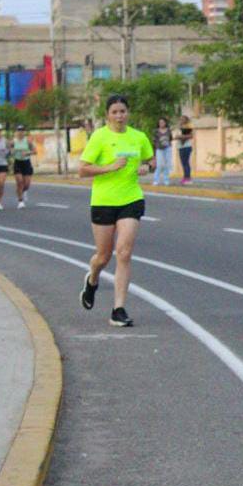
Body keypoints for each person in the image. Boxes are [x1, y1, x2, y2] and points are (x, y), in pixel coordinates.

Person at [78, 94, 154, 327]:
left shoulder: (138, 137)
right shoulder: (99, 137)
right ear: (107, 115)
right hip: (103, 201)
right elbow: (82, 170)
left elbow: (151, 161)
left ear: (127, 113)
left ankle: (118, 309)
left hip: (131, 199)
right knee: (103, 255)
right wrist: (110, 167)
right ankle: (92, 280)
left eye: (123, 111)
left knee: (124, 252)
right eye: (115, 112)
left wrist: (146, 167)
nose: (119, 115)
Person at [11, 124, 34, 208]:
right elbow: (9, 151)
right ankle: (20, 201)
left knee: (27, 184)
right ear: (16, 132)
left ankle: (24, 191)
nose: (20, 132)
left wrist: (27, 153)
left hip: (26, 162)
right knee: (19, 181)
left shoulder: (28, 141)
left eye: (22, 131)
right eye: (19, 130)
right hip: (17, 162)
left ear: (24, 132)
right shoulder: (13, 141)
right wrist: (12, 151)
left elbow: (34, 151)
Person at [152, 117, 173, 186]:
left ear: (165, 123)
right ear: (158, 123)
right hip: (159, 149)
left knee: (167, 165)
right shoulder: (156, 131)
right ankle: (156, 180)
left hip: (167, 149)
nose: (161, 124)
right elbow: (154, 141)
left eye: (163, 122)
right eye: (160, 122)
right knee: (159, 165)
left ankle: (166, 180)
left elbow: (170, 139)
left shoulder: (169, 130)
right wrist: (155, 151)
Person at [176, 115, 194, 185]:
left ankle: (188, 178)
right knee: (183, 163)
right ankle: (185, 177)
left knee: (186, 163)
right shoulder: (179, 128)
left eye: (183, 119)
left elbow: (191, 136)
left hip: (186, 146)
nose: (181, 120)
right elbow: (177, 136)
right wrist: (177, 137)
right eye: (180, 119)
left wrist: (180, 137)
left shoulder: (188, 127)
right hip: (180, 147)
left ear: (186, 120)